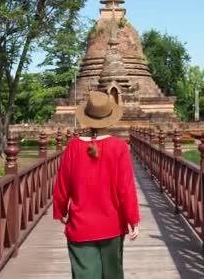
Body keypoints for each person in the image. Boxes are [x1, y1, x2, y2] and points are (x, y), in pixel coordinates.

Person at [53, 91, 140, 279]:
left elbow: (62, 185)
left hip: (80, 225)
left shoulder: (73, 147)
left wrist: (60, 211)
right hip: (112, 224)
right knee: (113, 274)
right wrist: (133, 219)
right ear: (109, 119)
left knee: (84, 274)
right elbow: (126, 189)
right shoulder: (119, 147)